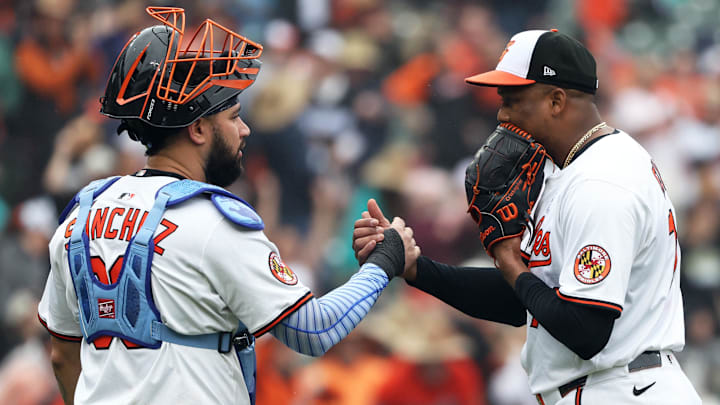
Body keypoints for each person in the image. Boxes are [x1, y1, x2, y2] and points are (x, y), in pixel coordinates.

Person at [37, 7, 419, 405]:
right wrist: (385, 263)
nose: (245, 129)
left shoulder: (81, 215)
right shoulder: (212, 222)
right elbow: (313, 330)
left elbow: (64, 356)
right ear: (198, 128)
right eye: (233, 116)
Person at [353, 29, 701, 404]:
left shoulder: (603, 181)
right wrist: (416, 268)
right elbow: (528, 302)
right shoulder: (565, 172)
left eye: (513, 99)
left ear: (556, 100)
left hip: (622, 390)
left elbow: (586, 330)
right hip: (607, 386)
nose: (502, 113)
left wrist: (509, 258)